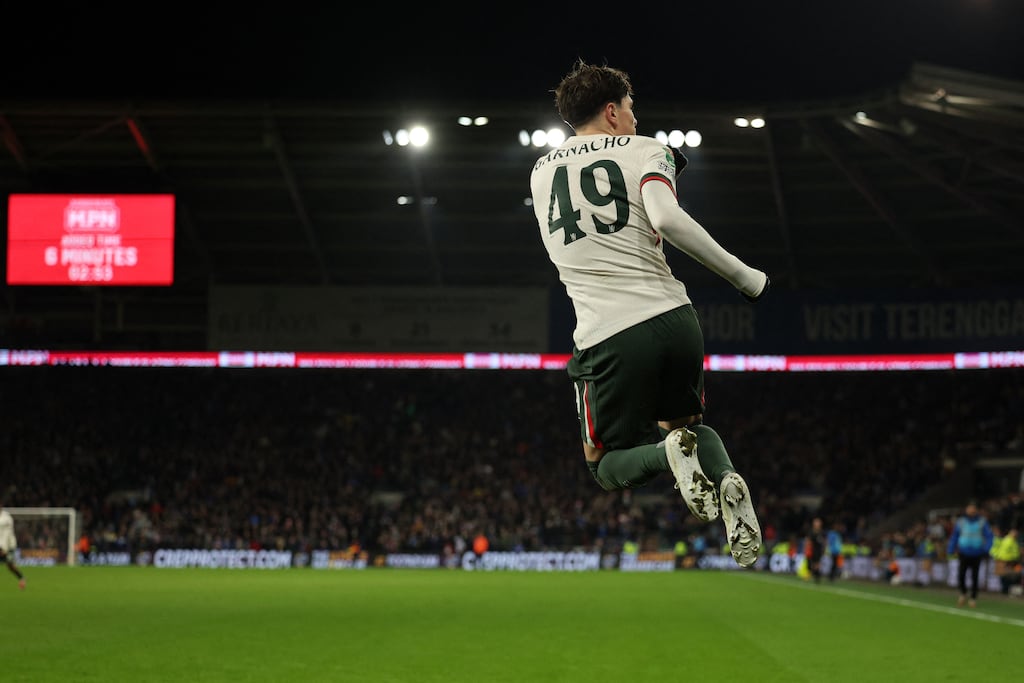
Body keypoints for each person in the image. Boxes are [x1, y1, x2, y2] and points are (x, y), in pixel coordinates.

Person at [529, 59, 770, 568]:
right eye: (632, 109)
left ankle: (669, 457)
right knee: (687, 424)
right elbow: (663, 216)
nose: (636, 119)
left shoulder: (540, 171)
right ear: (613, 111)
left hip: (608, 334)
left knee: (603, 465)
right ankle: (726, 477)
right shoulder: (647, 149)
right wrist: (744, 275)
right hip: (675, 319)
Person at [947, 501, 994, 607]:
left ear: (976, 510)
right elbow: (954, 536)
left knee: (975, 576)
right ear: (966, 509)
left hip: (977, 553)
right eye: (969, 508)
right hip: (963, 552)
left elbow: (989, 536)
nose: (971, 511)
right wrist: (951, 549)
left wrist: (986, 549)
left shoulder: (982, 522)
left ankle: (973, 597)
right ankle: (963, 594)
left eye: (973, 509)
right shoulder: (961, 522)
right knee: (961, 575)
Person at [0, 501, 26, 590]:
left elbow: (7, 534)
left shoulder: (6, 518)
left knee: (10, 566)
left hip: (9, 545)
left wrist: (3, 548)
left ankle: (22, 578)